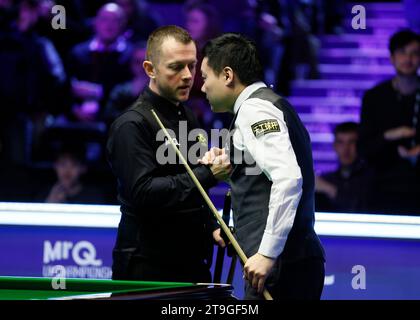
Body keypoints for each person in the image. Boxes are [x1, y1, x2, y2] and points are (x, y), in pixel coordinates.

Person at [199, 33, 325, 300]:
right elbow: (268, 163)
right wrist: (231, 155)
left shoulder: (254, 109)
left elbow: (289, 178)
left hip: (279, 266)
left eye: (205, 77)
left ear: (227, 75)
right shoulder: (271, 103)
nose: (202, 87)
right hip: (293, 261)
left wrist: (267, 253)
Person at [106, 25, 231, 283]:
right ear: (150, 69)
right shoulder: (132, 125)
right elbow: (144, 192)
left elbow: (193, 192)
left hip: (191, 264)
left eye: (192, 66)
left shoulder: (187, 115)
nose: (188, 76)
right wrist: (206, 174)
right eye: (176, 67)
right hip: (147, 269)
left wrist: (212, 227)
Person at [359, 29, 420, 214]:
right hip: (383, 184)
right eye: (402, 52)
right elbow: (364, 147)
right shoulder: (375, 97)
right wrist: (389, 136)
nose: (408, 59)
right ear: (392, 57)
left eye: (415, 53)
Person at [315, 122, 373, 213]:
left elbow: (360, 209)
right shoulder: (326, 179)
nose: (346, 148)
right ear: (334, 146)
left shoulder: (372, 179)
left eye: (351, 142)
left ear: (360, 145)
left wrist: (329, 189)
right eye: (340, 142)